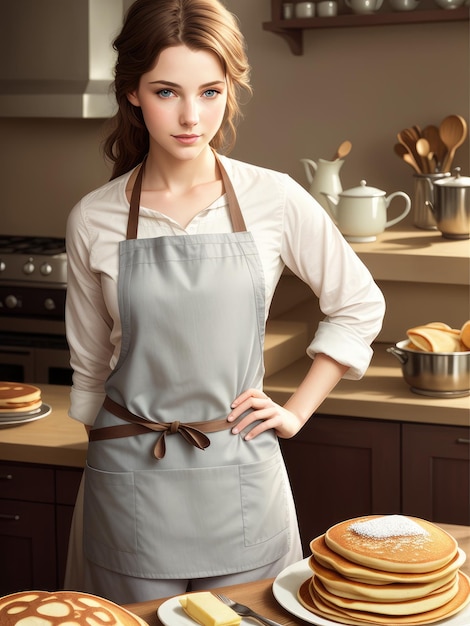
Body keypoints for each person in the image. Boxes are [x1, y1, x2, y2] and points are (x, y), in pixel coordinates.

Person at [64, 0, 385, 605]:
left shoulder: (275, 198)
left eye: (211, 92)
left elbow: (358, 304)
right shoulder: (94, 218)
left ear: (230, 91)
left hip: (240, 472)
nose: (191, 116)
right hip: (130, 480)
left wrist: (296, 413)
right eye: (167, 92)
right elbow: (89, 374)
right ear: (132, 92)